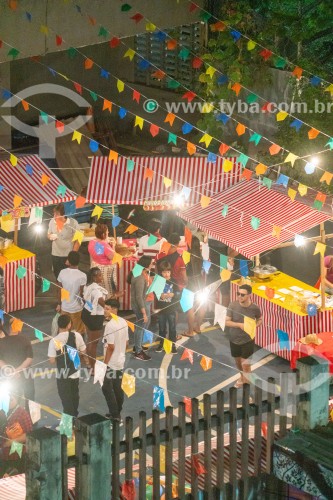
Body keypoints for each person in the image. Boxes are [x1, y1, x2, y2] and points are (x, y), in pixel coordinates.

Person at [48, 314, 87, 417]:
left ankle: (69, 424)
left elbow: (51, 360)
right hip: (75, 372)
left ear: (58, 325)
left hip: (62, 374)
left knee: (66, 400)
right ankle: (75, 417)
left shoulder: (54, 341)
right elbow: (83, 351)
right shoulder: (76, 335)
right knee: (75, 395)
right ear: (69, 325)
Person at [225, 284, 262, 388]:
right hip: (234, 339)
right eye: (238, 294)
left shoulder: (254, 308)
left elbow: (260, 319)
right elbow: (226, 322)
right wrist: (239, 325)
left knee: (246, 366)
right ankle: (242, 377)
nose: (239, 296)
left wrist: (255, 325)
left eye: (242, 295)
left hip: (248, 341)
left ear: (249, 295)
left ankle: (247, 393)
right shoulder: (233, 305)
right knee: (238, 363)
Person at [102, 298, 129, 421]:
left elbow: (110, 347)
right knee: (118, 387)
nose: (104, 311)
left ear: (114, 309)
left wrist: (105, 363)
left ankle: (115, 414)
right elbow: (127, 342)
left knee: (107, 388)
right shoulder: (123, 321)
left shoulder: (110, 325)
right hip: (120, 360)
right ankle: (117, 411)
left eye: (107, 309)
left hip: (111, 362)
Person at [0, 319, 34, 406]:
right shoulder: (25, 340)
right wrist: (18, 370)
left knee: (11, 401)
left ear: (9, 328)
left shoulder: (2, 342)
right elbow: (29, 359)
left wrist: (11, 370)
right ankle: (29, 418)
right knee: (29, 400)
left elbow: (0, 360)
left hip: (10, 377)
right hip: (26, 375)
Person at [0, 389, 33, 477]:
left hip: (17, 456)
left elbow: (29, 435)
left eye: (11, 399)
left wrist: (13, 441)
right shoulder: (2, 411)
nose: (8, 402)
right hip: (3, 454)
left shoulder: (22, 414)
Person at [81, 268, 108, 373]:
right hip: (94, 317)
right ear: (94, 277)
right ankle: (93, 368)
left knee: (90, 341)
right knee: (94, 343)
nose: (101, 277)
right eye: (100, 275)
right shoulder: (96, 291)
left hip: (86, 314)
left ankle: (90, 364)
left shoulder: (88, 286)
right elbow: (104, 304)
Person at [127, 255, 153, 361]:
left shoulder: (142, 274)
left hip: (140, 304)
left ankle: (138, 345)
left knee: (141, 326)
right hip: (139, 305)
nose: (152, 265)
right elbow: (138, 297)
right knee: (140, 327)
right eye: (151, 263)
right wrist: (143, 312)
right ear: (146, 265)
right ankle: (138, 351)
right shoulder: (139, 278)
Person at [57, 251, 87, 335]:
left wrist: (59, 304)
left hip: (65, 307)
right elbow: (82, 293)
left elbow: (59, 289)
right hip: (77, 308)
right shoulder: (82, 275)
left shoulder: (62, 272)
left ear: (68, 261)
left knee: (65, 330)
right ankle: (80, 346)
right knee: (80, 331)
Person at [48, 203, 80, 279]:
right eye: (54, 214)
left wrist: (71, 257)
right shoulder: (52, 222)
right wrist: (50, 236)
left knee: (70, 277)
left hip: (68, 255)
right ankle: (60, 290)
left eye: (57, 214)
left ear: (63, 215)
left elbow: (78, 241)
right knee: (58, 276)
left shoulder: (73, 223)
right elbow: (48, 233)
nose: (54, 216)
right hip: (55, 254)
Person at [155, 261, 179, 354]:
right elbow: (155, 293)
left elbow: (178, 293)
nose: (166, 274)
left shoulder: (174, 281)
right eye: (164, 272)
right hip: (161, 309)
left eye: (168, 272)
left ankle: (173, 344)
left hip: (171, 309)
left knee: (172, 328)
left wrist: (173, 294)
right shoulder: (158, 281)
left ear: (170, 272)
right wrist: (160, 295)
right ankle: (161, 343)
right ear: (161, 272)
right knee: (161, 328)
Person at [88, 223, 118, 298]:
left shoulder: (92, 242)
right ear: (103, 234)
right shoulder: (104, 245)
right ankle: (109, 300)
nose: (108, 233)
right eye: (107, 232)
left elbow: (99, 252)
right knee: (107, 290)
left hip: (95, 265)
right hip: (105, 270)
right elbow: (112, 257)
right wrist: (113, 245)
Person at [185, 235, 205, 337]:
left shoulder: (187, 256)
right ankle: (198, 327)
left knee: (190, 307)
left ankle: (190, 331)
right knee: (201, 305)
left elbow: (184, 272)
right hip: (200, 282)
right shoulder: (200, 256)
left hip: (190, 282)